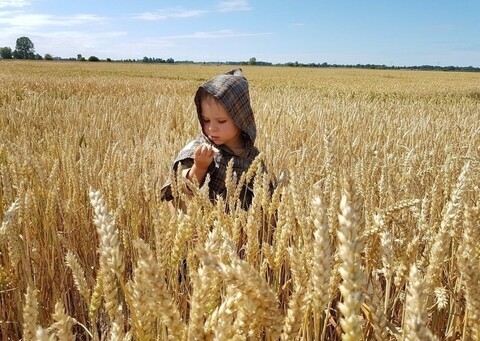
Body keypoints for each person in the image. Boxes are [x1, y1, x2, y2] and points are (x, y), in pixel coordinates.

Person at [160, 68, 260, 211]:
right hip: (201, 226)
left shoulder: (253, 156)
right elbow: (181, 188)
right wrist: (199, 167)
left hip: (237, 228)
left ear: (241, 119)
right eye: (206, 120)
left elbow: (266, 196)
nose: (212, 128)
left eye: (221, 121)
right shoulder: (200, 148)